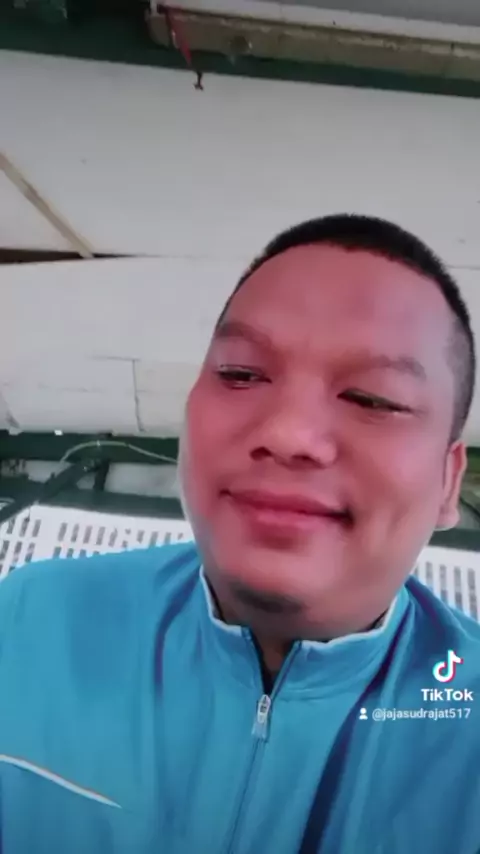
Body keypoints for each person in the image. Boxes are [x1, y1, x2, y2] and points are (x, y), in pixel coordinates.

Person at [1, 213, 480, 854]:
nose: (287, 433)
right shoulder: (30, 623)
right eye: (241, 374)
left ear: (448, 482)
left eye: (373, 399)